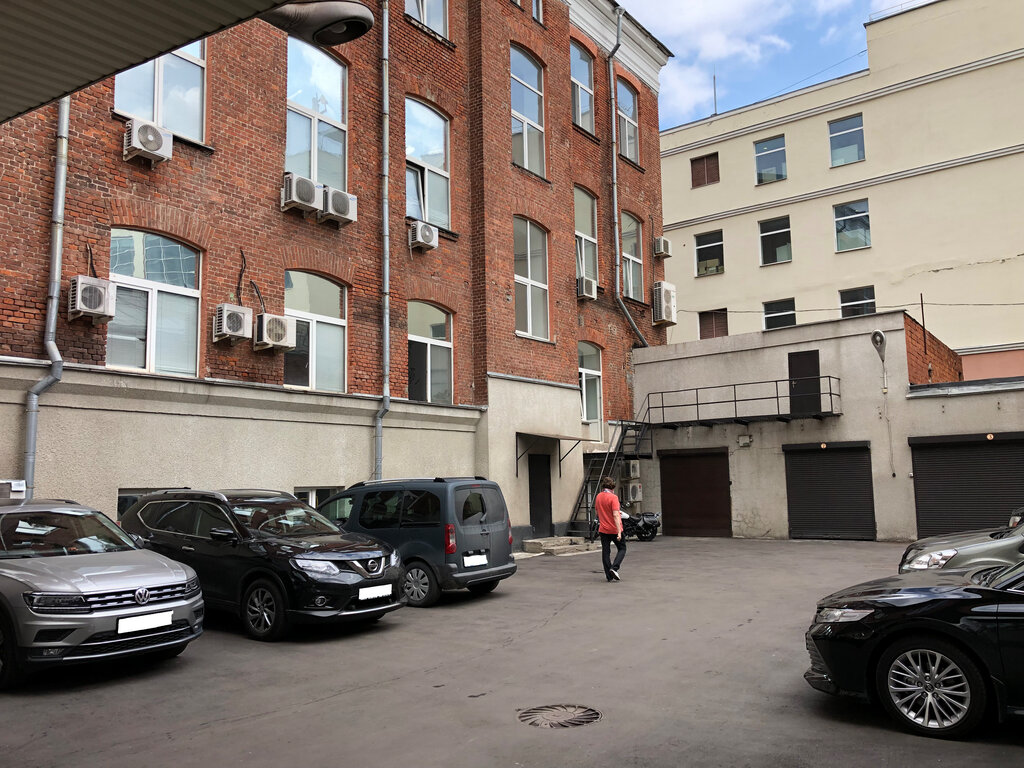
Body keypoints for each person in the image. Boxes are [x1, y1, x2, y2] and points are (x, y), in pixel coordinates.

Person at [595, 476, 626, 582]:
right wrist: (619, 531)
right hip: (614, 528)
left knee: (606, 551)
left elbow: (597, 512)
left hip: (603, 529)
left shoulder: (598, 496)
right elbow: (616, 515)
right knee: (622, 548)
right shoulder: (613, 498)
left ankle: (609, 575)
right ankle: (614, 568)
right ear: (613, 487)